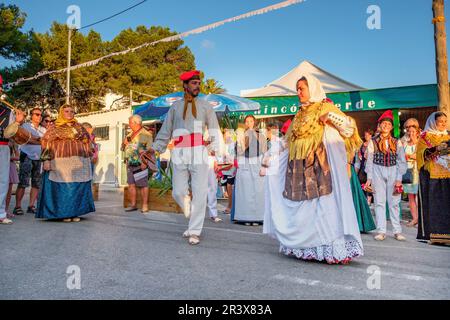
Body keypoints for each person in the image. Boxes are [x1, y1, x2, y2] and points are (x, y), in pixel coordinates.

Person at [262, 74, 363, 264]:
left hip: (320, 165)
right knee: (303, 209)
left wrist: (330, 117)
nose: (298, 92)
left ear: (312, 88)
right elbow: (287, 140)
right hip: (298, 168)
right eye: (297, 89)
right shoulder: (299, 114)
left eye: (302, 88)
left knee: (325, 207)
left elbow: (349, 129)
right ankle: (306, 248)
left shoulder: (325, 106)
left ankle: (332, 249)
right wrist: (269, 155)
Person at [150, 70, 221, 245]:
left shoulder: (206, 106)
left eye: (198, 83)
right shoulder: (175, 107)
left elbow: (214, 129)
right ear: (185, 85)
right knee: (178, 191)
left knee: (200, 192)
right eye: (194, 83)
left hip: (199, 151)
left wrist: (215, 149)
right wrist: (155, 148)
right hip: (179, 151)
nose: (197, 86)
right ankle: (190, 213)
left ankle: (194, 231)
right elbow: (165, 131)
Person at [37, 104, 95, 222]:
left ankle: (75, 213)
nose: (69, 113)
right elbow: (46, 143)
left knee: (76, 187)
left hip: (79, 162)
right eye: (67, 111)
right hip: (60, 162)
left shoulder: (79, 127)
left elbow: (88, 142)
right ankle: (64, 213)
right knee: (65, 188)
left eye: (72, 111)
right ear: (61, 113)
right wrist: (46, 159)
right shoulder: (55, 127)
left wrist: (89, 154)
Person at [365, 110, 407, 241]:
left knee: (394, 202)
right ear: (379, 125)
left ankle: (397, 230)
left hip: (393, 170)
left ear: (391, 127)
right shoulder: (373, 141)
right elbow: (370, 160)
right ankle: (381, 231)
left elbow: (401, 160)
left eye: (388, 124)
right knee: (379, 202)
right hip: (378, 170)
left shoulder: (397, 141)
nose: (386, 126)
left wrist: (399, 179)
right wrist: (369, 178)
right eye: (383, 123)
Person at [416, 111, 449, 244]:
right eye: (440, 121)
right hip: (433, 176)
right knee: (436, 206)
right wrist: (436, 148)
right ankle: (434, 235)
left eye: (444, 122)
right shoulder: (425, 136)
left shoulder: (448, 135)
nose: (443, 124)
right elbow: (420, 154)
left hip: (448, 174)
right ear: (433, 122)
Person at [232, 115, 267, 226]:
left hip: (257, 163)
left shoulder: (260, 136)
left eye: (251, 121)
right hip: (245, 163)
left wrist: (264, 166)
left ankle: (257, 217)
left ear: (254, 122)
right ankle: (244, 217)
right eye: (247, 121)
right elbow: (238, 151)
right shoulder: (241, 136)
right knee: (245, 190)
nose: (249, 123)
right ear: (245, 123)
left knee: (258, 190)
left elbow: (264, 152)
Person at [1, 74, 26, 224]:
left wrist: (18, 122)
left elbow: (11, 133)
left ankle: (0, 213)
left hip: (3, 146)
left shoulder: (7, 110)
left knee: (2, 180)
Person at [13, 107, 46, 216]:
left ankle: (31, 206)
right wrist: (38, 141)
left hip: (39, 158)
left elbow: (45, 143)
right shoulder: (25, 126)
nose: (39, 116)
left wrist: (35, 140)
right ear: (31, 115)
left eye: (40, 115)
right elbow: (23, 139)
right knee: (23, 183)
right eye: (36, 114)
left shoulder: (43, 129)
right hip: (26, 156)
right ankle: (17, 206)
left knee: (36, 184)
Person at [347, 119, 376, 233]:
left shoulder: (355, 142)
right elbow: (357, 162)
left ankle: (356, 224)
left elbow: (351, 159)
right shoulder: (357, 144)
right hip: (351, 169)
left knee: (354, 196)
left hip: (348, 169)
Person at [122, 115, 153, 213]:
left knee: (143, 184)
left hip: (140, 163)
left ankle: (145, 206)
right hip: (130, 162)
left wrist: (144, 162)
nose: (129, 124)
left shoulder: (145, 134)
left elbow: (147, 150)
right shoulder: (130, 134)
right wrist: (124, 144)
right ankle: (133, 205)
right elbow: (123, 148)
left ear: (136, 123)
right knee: (131, 184)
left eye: (130, 122)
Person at [401, 118, 420, 227]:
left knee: (419, 195)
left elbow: (421, 154)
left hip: (418, 171)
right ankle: (414, 218)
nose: (410, 132)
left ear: (417, 131)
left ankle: (421, 219)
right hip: (408, 171)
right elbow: (400, 155)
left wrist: (412, 156)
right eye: (408, 130)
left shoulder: (421, 141)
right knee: (411, 196)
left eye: (413, 131)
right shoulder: (404, 142)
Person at [355, 129, 374, 205]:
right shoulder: (361, 145)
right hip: (362, 166)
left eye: (368, 135)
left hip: (371, 167)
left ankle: (369, 200)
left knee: (370, 183)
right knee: (361, 182)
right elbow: (357, 159)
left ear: (371, 135)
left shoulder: (373, 144)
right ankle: (363, 199)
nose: (367, 136)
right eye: (365, 135)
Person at [6, 140, 19, 218]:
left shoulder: (13, 142)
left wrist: (8, 157)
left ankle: (6, 210)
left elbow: (17, 156)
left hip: (10, 165)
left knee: (8, 190)